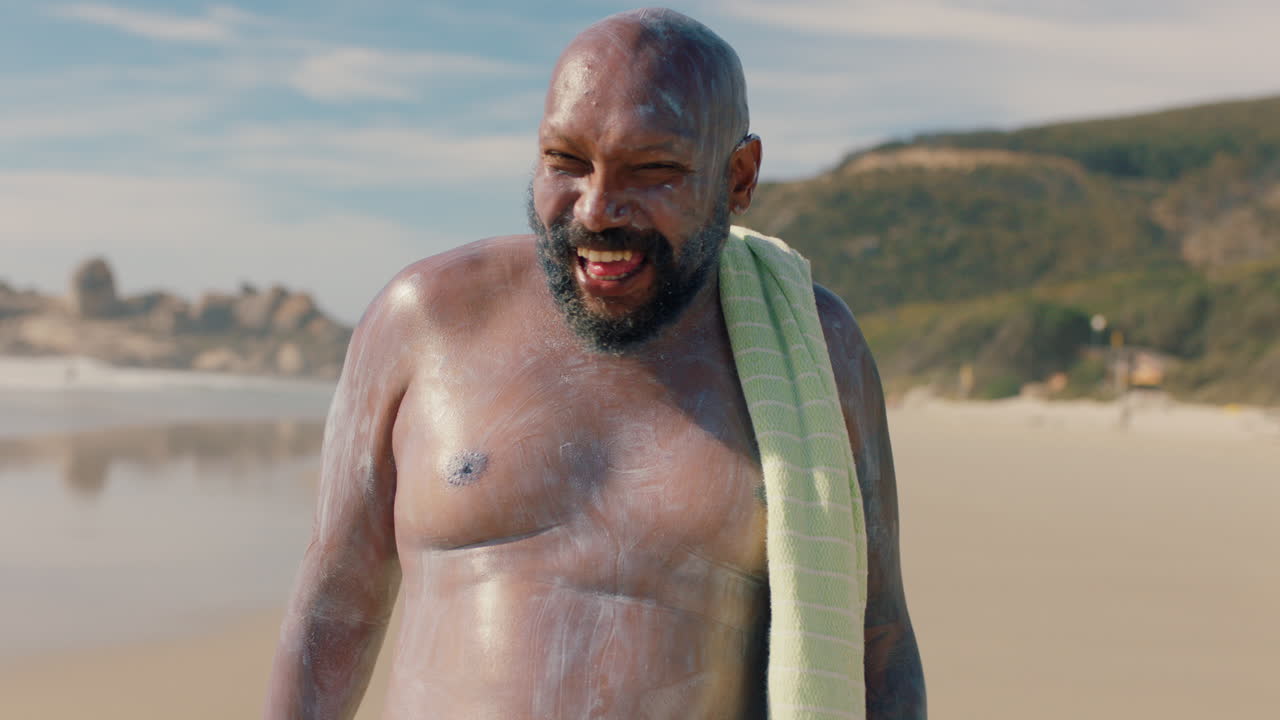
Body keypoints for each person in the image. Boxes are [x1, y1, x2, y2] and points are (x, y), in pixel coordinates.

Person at [265, 8, 924, 719]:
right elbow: (334, 605)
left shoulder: (815, 349)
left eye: (653, 170)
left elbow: (876, 635)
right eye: (566, 161)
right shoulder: (425, 317)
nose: (599, 208)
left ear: (739, 177)